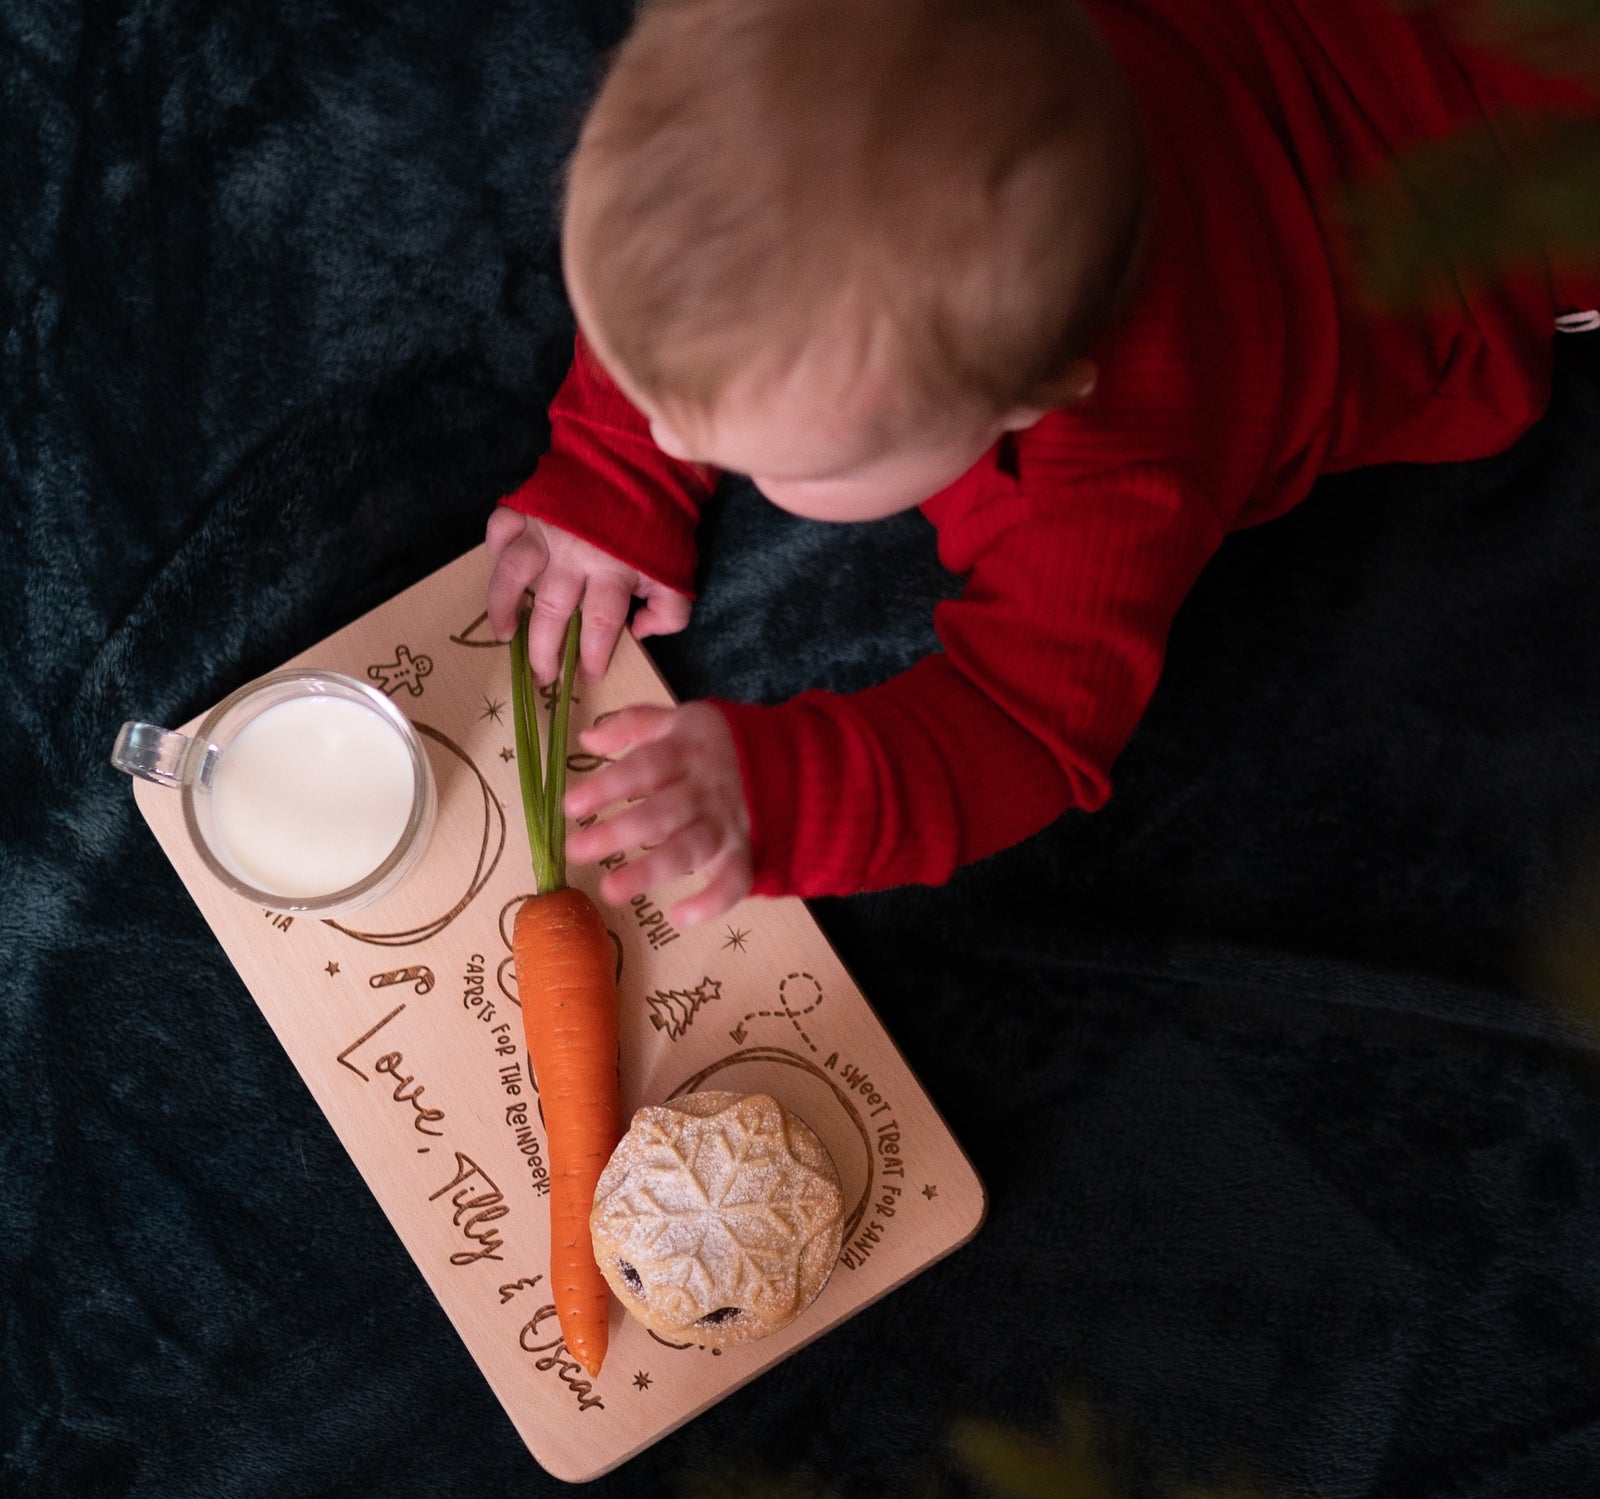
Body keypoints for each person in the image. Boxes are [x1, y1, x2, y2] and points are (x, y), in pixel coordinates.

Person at [484, 0, 1597, 926]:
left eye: (771, 457)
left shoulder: (1111, 472)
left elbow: (1023, 721)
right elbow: (716, 243)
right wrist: (614, 460)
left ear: (1021, 406)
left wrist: (776, 794)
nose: (670, 435)